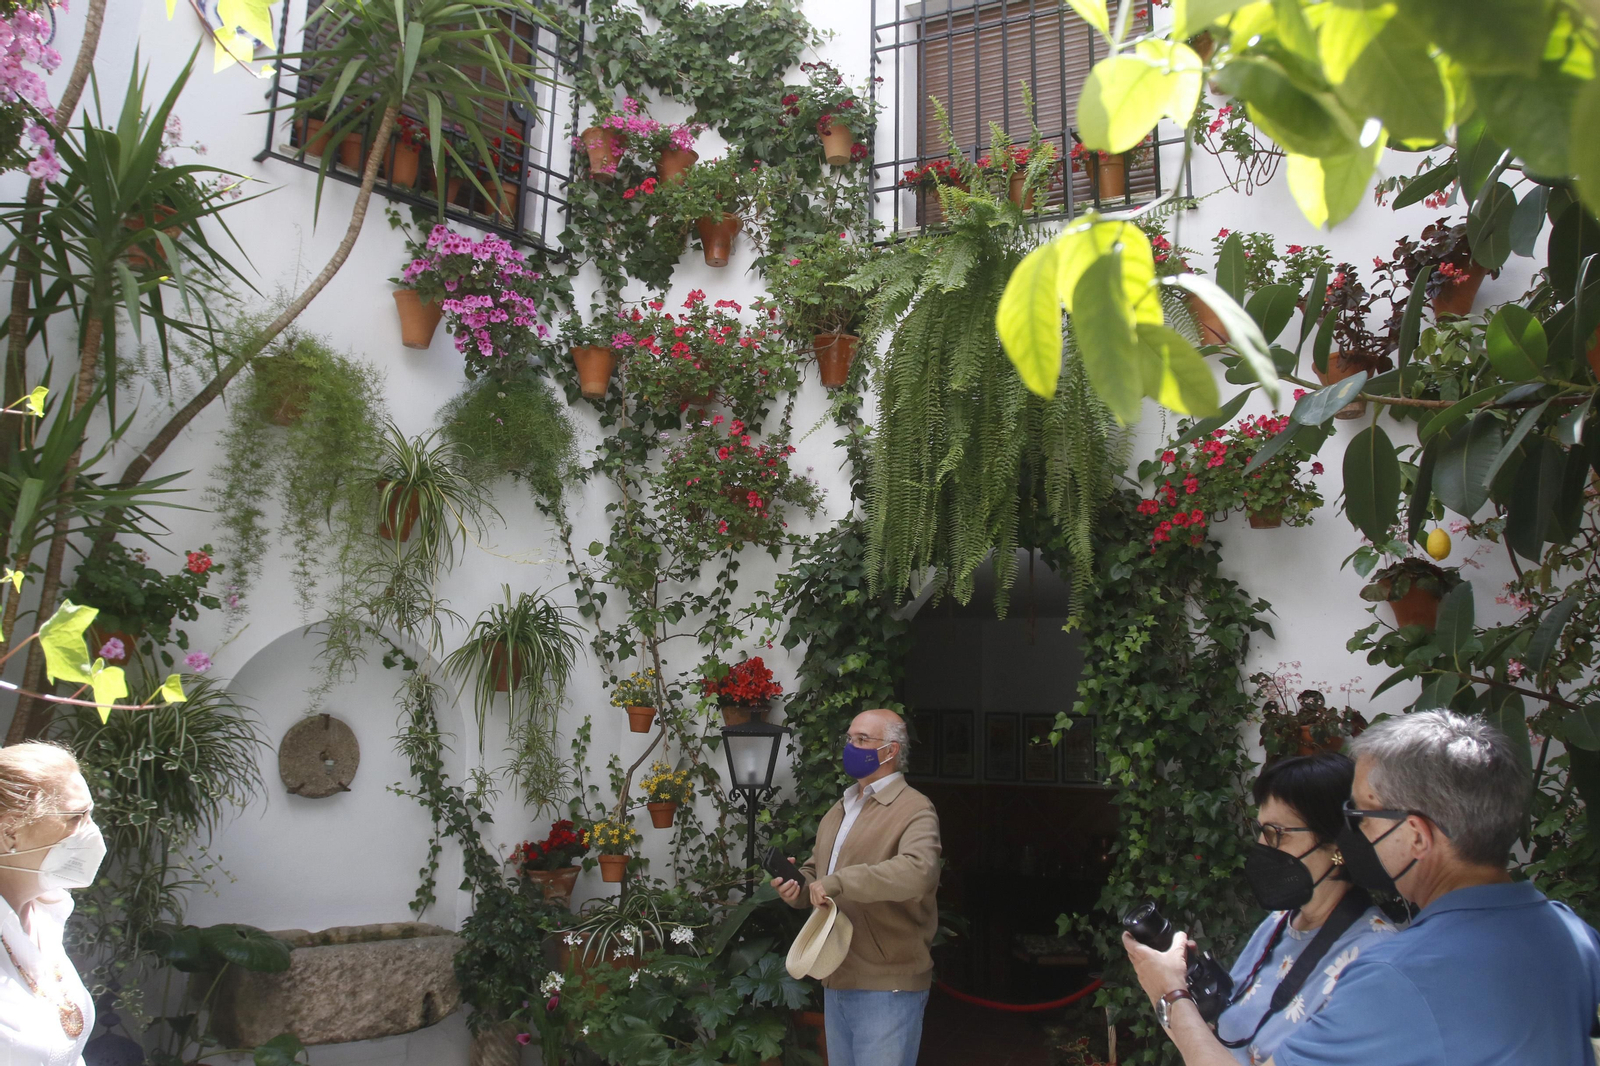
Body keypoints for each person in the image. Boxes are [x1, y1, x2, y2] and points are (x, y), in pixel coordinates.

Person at [1125, 710, 1600, 1066]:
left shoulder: (1395, 973)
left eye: (1360, 817)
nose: (1351, 837)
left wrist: (1169, 993)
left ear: (1416, 835)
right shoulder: (1573, 935)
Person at [771, 708, 941, 1066]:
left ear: (891, 750)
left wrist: (838, 882)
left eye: (863, 739)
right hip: (837, 975)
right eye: (850, 738)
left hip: (888, 984)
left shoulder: (914, 808)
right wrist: (799, 887)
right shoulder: (842, 806)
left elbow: (919, 871)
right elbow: (819, 870)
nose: (852, 747)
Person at [0, 741, 103, 1066]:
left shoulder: (46, 910)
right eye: (76, 817)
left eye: (90, 814)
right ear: (10, 832)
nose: (92, 832)